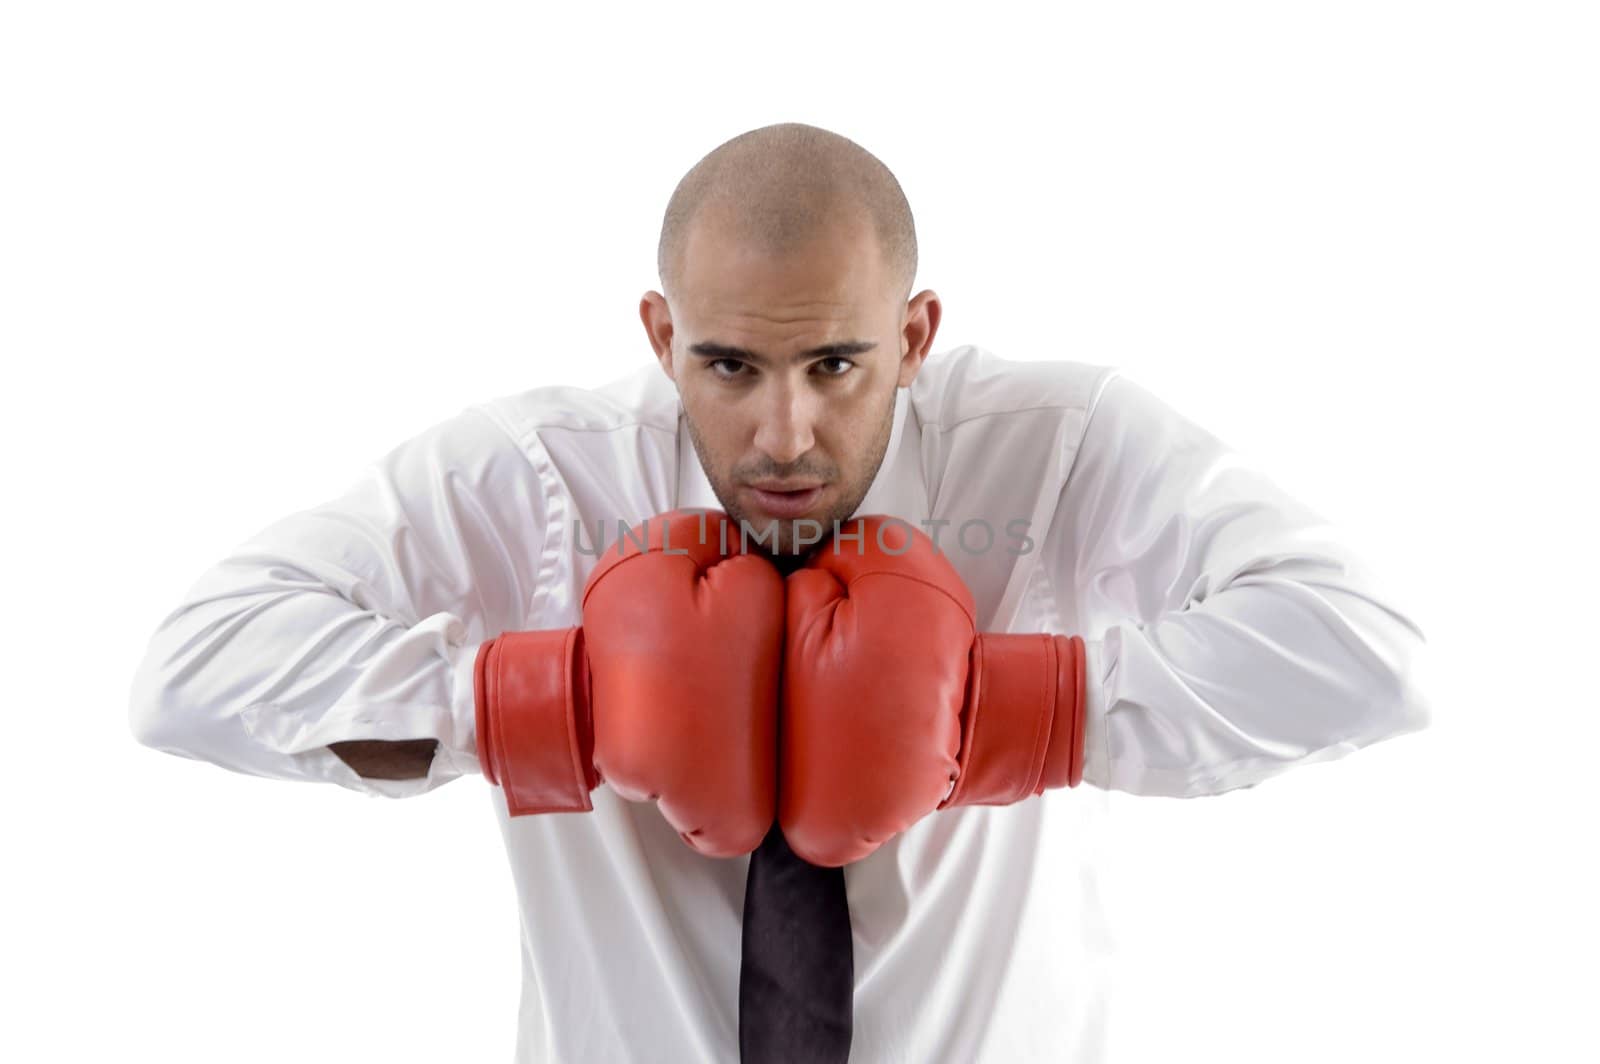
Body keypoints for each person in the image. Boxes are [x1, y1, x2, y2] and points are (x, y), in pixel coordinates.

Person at [127, 122, 1432, 1062]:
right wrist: (554, 706)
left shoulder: (1053, 443)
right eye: (732, 366)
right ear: (659, 335)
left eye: (838, 363)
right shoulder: (539, 475)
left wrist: (1015, 715)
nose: (787, 435)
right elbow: (192, 673)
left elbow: (1370, 652)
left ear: (915, 336)